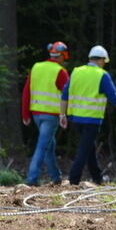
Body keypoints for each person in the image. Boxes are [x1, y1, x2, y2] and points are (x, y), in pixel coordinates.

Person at [59, 45, 116, 185]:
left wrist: (62, 115)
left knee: (88, 147)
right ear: (102, 60)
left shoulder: (76, 72)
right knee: (83, 149)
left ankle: (97, 178)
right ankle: (74, 180)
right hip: (92, 119)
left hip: (75, 118)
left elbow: (65, 94)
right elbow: (114, 98)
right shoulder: (102, 75)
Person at [21, 41, 71, 185]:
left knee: (49, 145)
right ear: (61, 56)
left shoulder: (36, 67)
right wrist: (65, 114)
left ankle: (56, 177)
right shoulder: (60, 72)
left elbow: (26, 91)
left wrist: (25, 114)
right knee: (43, 145)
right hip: (51, 115)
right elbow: (68, 95)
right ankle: (32, 178)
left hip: (36, 114)